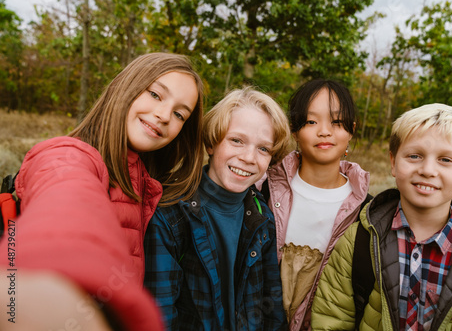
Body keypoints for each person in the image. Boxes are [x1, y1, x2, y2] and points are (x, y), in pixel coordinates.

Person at [0, 52, 205, 331]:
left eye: (180, 113)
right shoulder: (69, 156)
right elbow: (67, 210)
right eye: (156, 95)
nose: (164, 115)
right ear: (126, 86)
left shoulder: (146, 182)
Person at [311, 103, 452, 330]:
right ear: (393, 162)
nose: (428, 170)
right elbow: (330, 320)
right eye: (414, 156)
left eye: (445, 160)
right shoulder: (359, 241)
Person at [144, 87, 290, 331]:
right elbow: (160, 314)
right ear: (212, 144)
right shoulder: (171, 214)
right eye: (236, 141)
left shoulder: (261, 216)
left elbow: (272, 307)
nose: (249, 157)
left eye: (263, 148)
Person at [257, 79, 370, 330]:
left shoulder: (367, 211)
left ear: (351, 130)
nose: (325, 131)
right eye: (311, 121)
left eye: (337, 122)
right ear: (295, 130)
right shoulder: (263, 190)